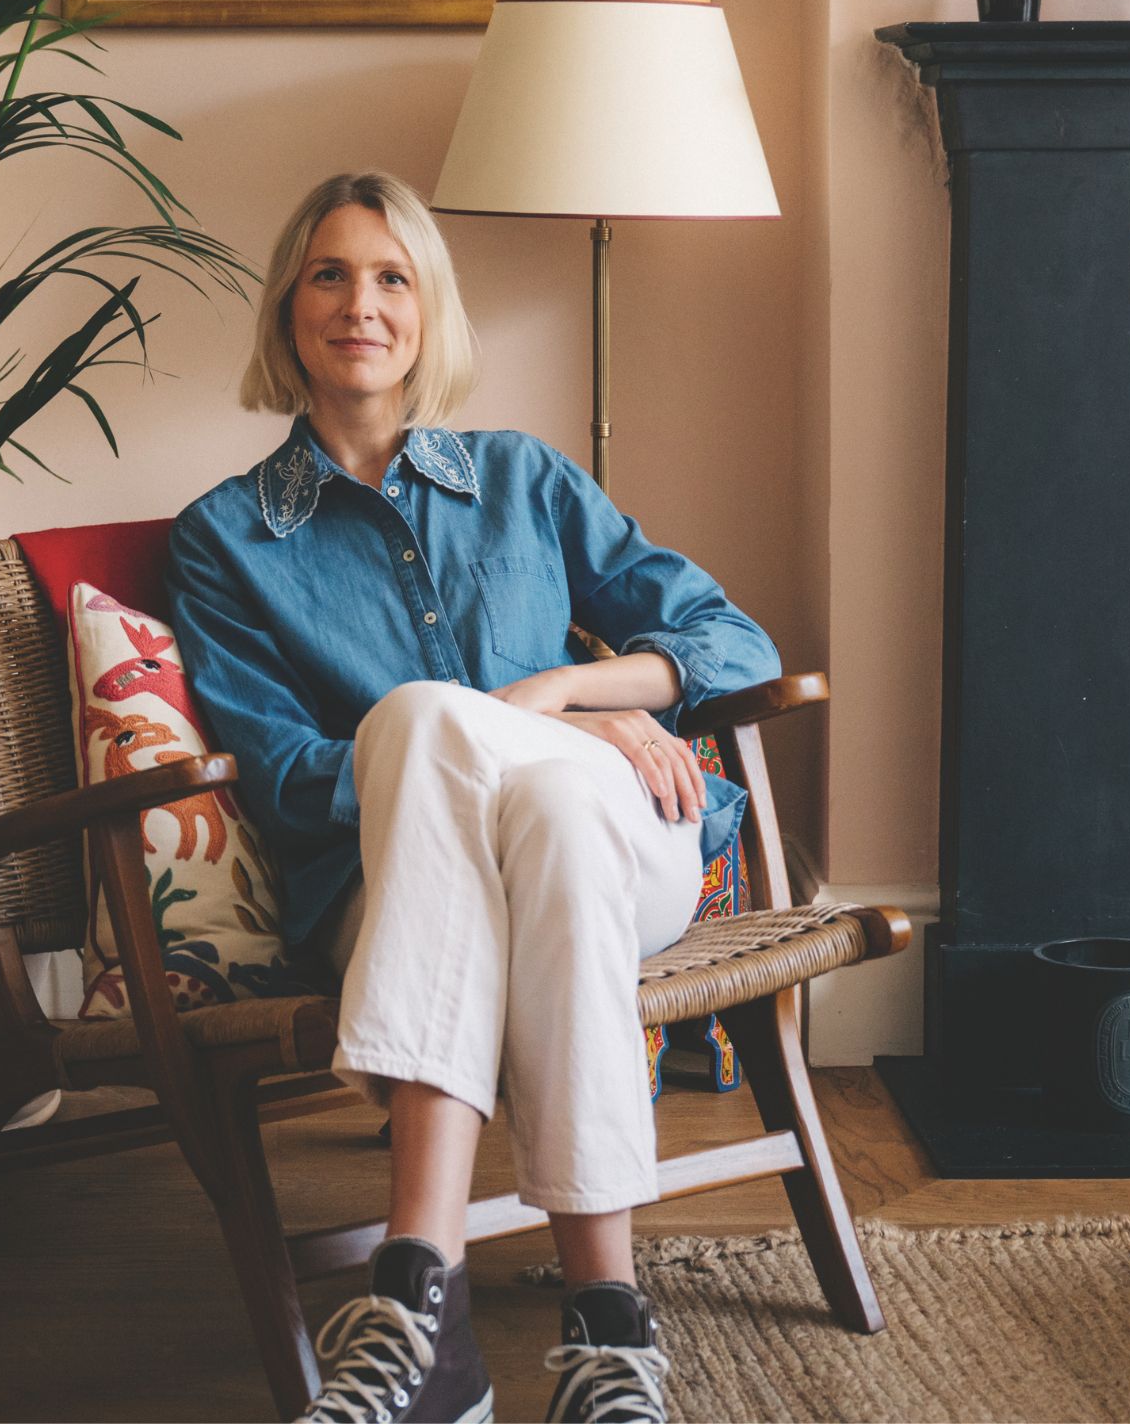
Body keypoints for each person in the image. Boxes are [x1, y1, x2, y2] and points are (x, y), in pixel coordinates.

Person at [169, 170, 773, 1424]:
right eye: (330, 274)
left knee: (483, 756)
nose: (361, 304)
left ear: (430, 309)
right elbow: (282, 777)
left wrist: (581, 695)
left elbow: (734, 641)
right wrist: (502, 738)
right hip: (400, 883)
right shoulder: (226, 537)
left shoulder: (524, 479)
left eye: (392, 277)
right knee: (457, 751)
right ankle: (609, 1330)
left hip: (629, 850)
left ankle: (415, 1290)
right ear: (288, 308)